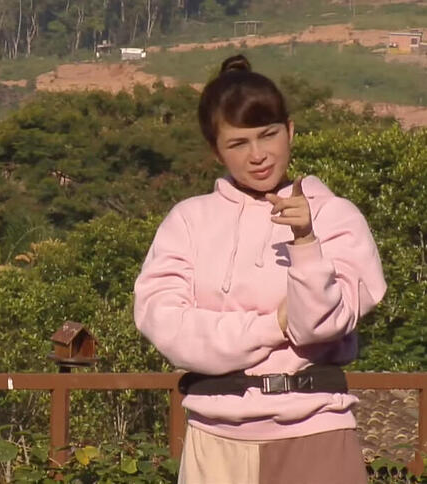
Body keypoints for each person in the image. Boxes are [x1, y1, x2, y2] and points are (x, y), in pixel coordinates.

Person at [133, 54, 386, 484]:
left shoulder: (335, 216)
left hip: (316, 433)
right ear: (216, 150)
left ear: (290, 131)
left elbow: (318, 327)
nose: (258, 156)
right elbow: (169, 329)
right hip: (215, 442)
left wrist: (305, 241)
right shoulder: (188, 222)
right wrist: (272, 325)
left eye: (268, 136)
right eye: (238, 144)